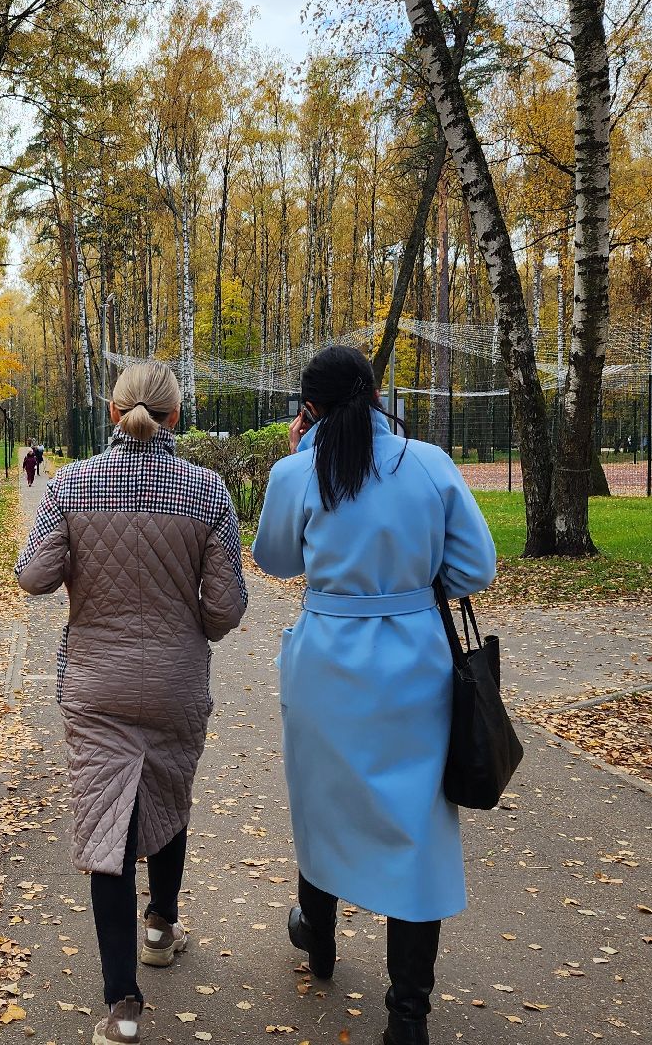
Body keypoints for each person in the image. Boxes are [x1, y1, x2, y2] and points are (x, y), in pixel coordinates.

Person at [251, 346, 497, 1045]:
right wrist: (413, 578)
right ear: (376, 395)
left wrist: (299, 467)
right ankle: (407, 1017)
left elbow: (275, 560)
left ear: (310, 407)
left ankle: (318, 934)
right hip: (416, 663)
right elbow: (476, 566)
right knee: (416, 827)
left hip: (327, 660)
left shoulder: (297, 470)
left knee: (322, 798)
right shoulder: (429, 462)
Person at [15, 362, 248, 1045]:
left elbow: (33, 575)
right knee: (169, 793)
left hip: (95, 687)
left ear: (112, 414)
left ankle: (121, 1008)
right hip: (177, 682)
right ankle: (161, 924)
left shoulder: (72, 484)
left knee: (106, 829)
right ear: (175, 418)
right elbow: (224, 609)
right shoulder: (208, 492)